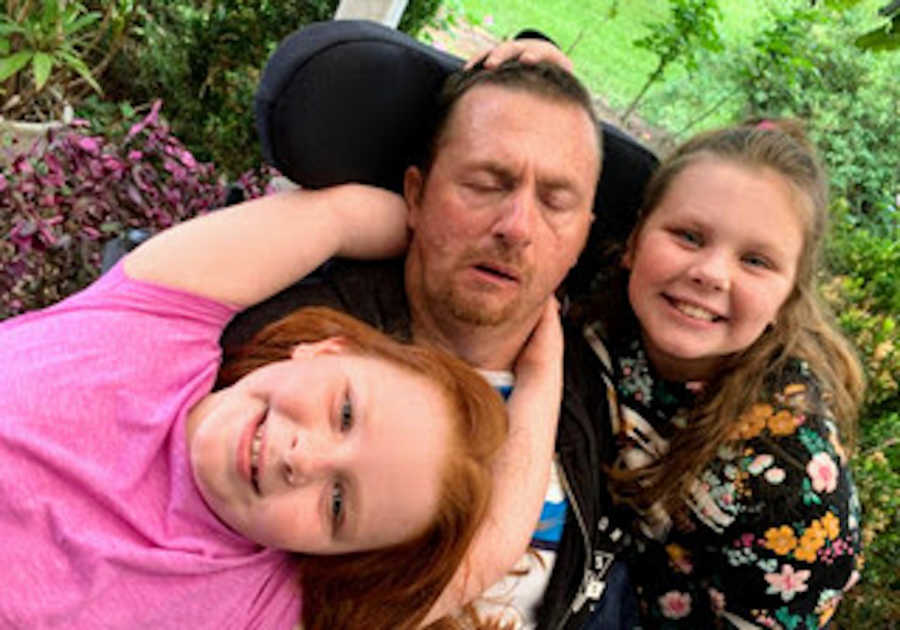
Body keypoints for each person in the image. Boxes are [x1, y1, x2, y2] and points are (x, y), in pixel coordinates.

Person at [0, 183, 567, 629]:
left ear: (332, 553)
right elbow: (336, 218)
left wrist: (544, 378)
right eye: (344, 412)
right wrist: (451, 240)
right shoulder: (161, 315)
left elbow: (491, 549)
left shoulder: (256, 606)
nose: (305, 458)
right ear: (323, 350)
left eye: (339, 503)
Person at [224, 54, 624, 628]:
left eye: (555, 202)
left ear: (584, 237)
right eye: (487, 184)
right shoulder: (293, 364)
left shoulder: (600, 385)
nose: (517, 226)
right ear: (415, 195)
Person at [578, 119, 864, 628]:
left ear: (788, 297)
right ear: (633, 240)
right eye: (688, 236)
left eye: (755, 260)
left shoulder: (794, 484)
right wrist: (537, 51)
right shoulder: (595, 300)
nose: (710, 273)